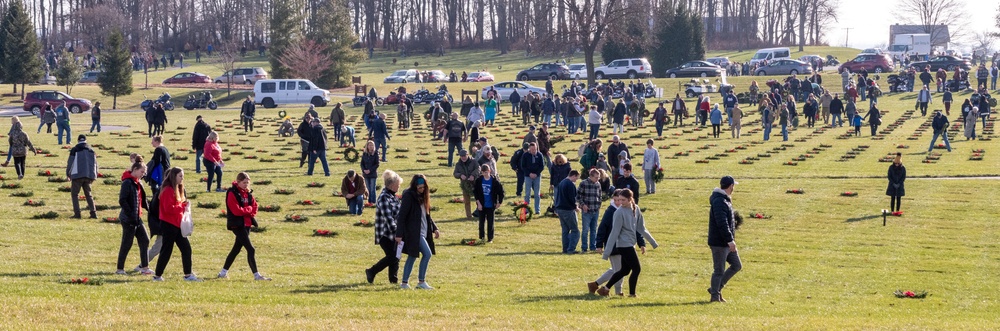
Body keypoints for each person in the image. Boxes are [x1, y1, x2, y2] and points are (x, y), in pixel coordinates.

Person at [595, 189, 658, 297]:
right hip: (624, 245)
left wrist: (652, 242)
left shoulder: (636, 209)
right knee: (637, 269)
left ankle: (605, 289)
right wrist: (606, 252)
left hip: (630, 244)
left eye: (623, 200)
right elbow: (614, 233)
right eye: (619, 200)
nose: (620, 202)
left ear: (630, 199)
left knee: (624, 270)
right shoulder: (619, 212)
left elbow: (641, 228)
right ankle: (632, 294)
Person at [219, 172, 270, 281]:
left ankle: (223, 272)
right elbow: (236, 211)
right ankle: (257, 275)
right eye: (244, 183)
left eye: (247, 183)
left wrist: (248, 211)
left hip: (246, 224)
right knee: (251, 249)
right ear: (238, 182)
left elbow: (255, 206)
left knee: (236, 249)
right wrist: (248, 210)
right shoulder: (232, 193)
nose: (246, 185)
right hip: (237, 225)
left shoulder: (248, 193)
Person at [153, 167, 200, 282]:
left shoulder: (178, 188)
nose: (182, 179)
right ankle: (157, 275)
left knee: (186, 248)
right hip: (168, 224)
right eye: (180, 176)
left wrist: (184, 205)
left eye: (182, 176)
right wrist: (183, 206)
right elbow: (168, 209)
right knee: (166, 250)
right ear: (174, 176)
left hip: (177, 224)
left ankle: (188, 274)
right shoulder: (168, 189)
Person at [395, 174, 440, 290]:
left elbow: (427, 215)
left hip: (424, 231)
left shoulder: (423, 196)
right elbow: (402, 216)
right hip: (413, 233)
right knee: (427, 254)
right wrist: (399, 234)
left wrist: (434, 228)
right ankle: (421, 281)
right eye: (420, 187)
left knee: (412, 256)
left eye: (423, 187)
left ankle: (404, 283)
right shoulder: (409, 196)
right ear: (415, 186)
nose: (422, 189)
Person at [366, 170, 403, 284]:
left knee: (395, 257)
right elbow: (388, 218)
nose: (399, 186)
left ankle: (393, 280)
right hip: (385, 234)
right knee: (393, 256)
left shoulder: (393, 197)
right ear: (392, 185)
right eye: (398, 184)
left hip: (393, 233)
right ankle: (371, 271)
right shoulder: (384, 198)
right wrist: (398, 233)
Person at [116, 161, 153, 275]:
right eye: (142, 171)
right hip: (128, 219)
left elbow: (143, 200)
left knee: (145, 240)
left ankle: (145, 268)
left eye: (144, 172)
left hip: (137, 218)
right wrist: (131, 214)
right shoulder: (127, 182)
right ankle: (120, 269)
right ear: (135, 169)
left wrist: (151, 210)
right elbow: (122, 200)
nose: (143, 174)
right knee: (127, 243)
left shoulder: (138, 182)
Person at [708, 175, 741, 302]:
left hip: (726, 242)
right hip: (720, 243)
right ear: (731, 186)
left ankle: (715, 289)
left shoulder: (724, 200)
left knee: (736, 265)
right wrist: (730, 240)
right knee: (719, 270)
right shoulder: (720, 201)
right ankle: (715, 297)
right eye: (733, 186)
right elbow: (722, 223)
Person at [67, 135, 98, 219]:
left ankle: (77, 214)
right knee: (88, 195)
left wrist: (68, 174)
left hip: (77, 175)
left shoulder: (75, 149)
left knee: (74, 194)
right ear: (86, 140)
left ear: (78, 140)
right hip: (89, 175)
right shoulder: (91, 150)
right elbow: (95, 164)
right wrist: (94, 175)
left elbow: (70, 162)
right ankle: (93, 213)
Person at [473, 164, 505, 242]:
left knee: (490, 223)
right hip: (482, 205)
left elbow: (501, 192)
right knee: (481, 223)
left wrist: (499, 202)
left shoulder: (495, 181)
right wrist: (478, 203)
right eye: (483, 172)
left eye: (486, 172)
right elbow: (475, 192)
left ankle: (490, 238)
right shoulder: (479, 181)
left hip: (491, 205)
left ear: (490, 171)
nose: (485, 174)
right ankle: (482, 237)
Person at [554, 170, 581, 254]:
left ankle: (565, 249)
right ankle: (571, 249)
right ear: (573, 175)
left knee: (565, 230)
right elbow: (572, 198)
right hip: (568, 210)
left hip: (560, 209)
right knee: (575, 230)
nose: (576, 180)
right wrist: (575, 207)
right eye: (576, 178)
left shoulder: (562, 182)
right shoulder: (570, 184)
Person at [577, 169, 603, 253]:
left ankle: (592, 247)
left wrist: (599, 206)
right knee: (585, 230)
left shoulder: (598, 184)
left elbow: (600, 196)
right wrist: (582, 205)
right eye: (596, 177)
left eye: (598, 177)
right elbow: (578, 196)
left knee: (594, 230)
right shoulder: (583, 183)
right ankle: (584, 247)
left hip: (595, 210)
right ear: (591, 176)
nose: (597, 179)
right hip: (586, 211)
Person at [454, 150, 481, 218]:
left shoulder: (474, 161)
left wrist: (473, 175)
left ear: (467, 155)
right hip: (465, 185)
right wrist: (460, 175)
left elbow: (478, 169)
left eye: (464, 156)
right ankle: (468, 216)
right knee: (466, 201)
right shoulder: (458, 164)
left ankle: (480, 213)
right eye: (461, 156)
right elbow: (455, 173)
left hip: (475, 183)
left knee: (478, 200)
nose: (463, 157)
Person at [520, 143, 545, 215]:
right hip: (528, 176)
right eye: (532, 149)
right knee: (527, 193)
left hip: (537, 177)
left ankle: (537, 210)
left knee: (537, 194)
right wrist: (529, 174)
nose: (533, 151)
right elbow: (523, 166)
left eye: (535, 149)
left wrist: (536, 174)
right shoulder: (525, 155)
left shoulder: (540, 155)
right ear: (529, 149)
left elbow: (542, 166)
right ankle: (526, 210)